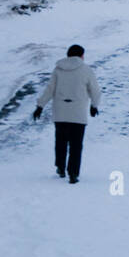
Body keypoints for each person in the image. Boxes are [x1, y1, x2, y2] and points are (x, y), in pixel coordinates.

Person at [32, 44, 101, 184]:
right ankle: (73, 173)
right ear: (81, 55)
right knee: (76, 144)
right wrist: (94, 105)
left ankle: (61, 167)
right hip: (78, 113)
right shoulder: (86, 70)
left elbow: (49, 89)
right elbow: (95, 90)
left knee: (61, 141)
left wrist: (40, 106)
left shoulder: (58, 69)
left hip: (60, 112)